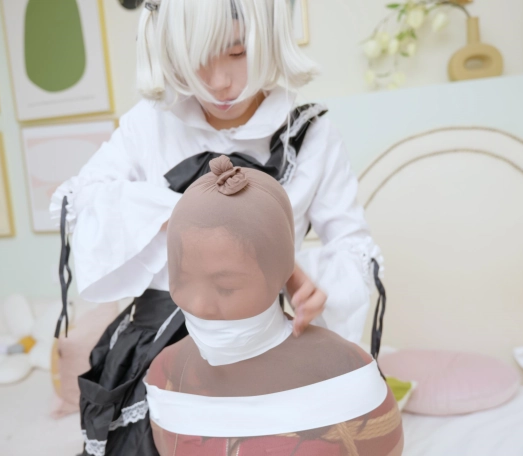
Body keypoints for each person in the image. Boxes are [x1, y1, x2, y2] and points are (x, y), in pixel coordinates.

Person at [50, 0, 385, 454]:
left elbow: (352, 245)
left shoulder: (311, 135)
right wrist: (202, 219)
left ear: (269, 39)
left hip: (262, 344)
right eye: (195, 58)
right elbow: (78, 199)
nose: (218, 82)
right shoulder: (151, 122)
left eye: (237, 52)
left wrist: (310, 284)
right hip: (154, 345)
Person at [145, 156, 403, 456]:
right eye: (182, 280)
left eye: (226, 287)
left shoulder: (347, 374)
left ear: (282, 273)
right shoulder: (166, 373)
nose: (199, 305)